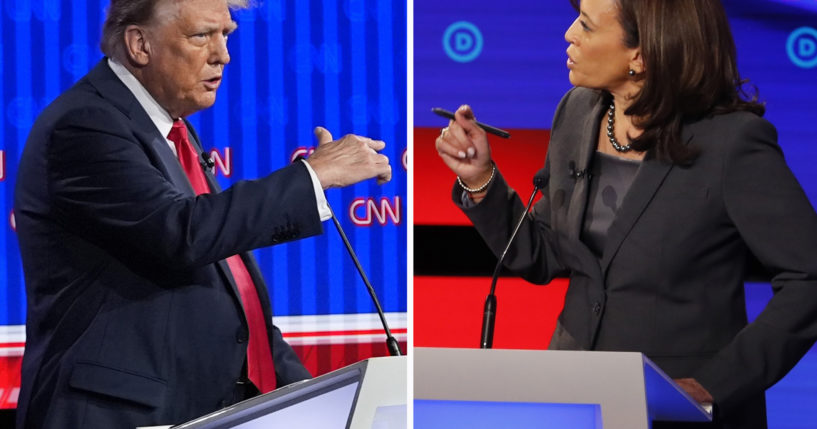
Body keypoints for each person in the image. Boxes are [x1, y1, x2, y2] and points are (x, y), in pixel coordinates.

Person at [435, 0, 817, 427]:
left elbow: (810, 279)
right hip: (575, 399)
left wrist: (713, 384)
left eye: (586, 25)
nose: (569, 35)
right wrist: (480, 177)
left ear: (641, 54)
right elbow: (543, 255)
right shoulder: (577, 111)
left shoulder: (733, 144)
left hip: (678, 411)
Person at [14, 0, 392, 427]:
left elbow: (234, 298)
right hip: (115, 415)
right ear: (140, 44)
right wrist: (313, 175)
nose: (223, 55)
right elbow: (182, 233)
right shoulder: (86, 124)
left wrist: (310, 402)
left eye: (226, 34)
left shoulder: (170, 129)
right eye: (202, 36)